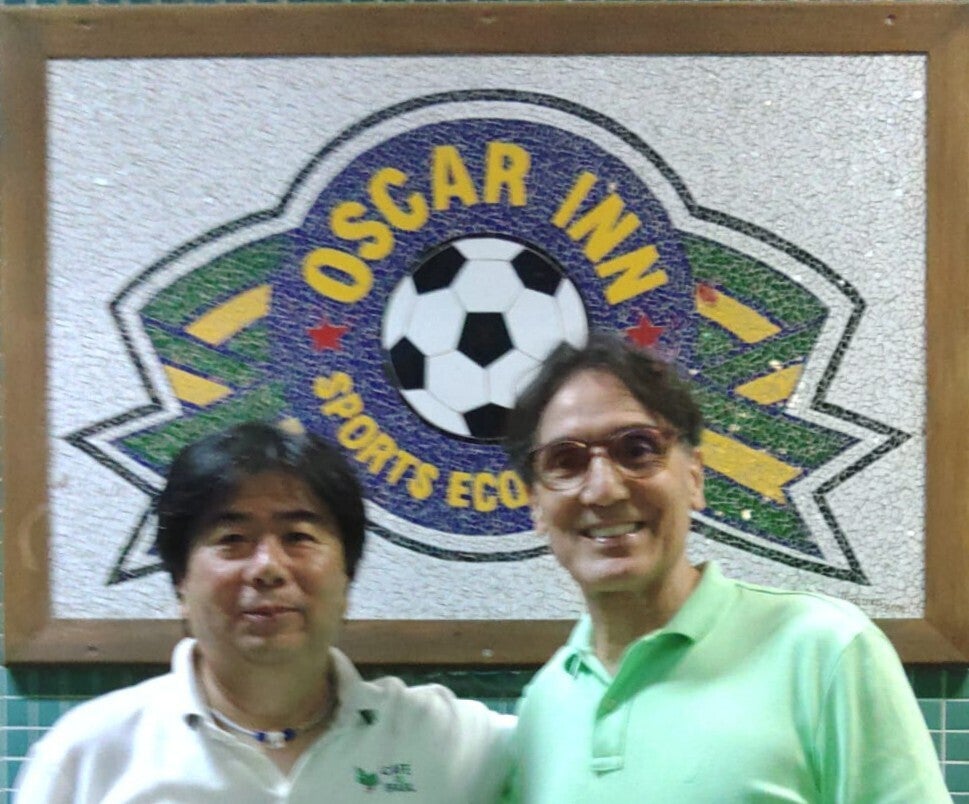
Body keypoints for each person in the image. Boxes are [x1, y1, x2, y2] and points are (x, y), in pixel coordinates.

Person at [501, 331, 949, 803]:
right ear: (536, 506)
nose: (603, 489)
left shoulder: (824, 651)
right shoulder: (541, 710)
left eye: (636, 449)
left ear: (694, 477)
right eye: (566, 461)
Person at [17, 422, 514, 803]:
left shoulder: (446, 739)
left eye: (298, 536)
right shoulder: (88, 755)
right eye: (232, 539)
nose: (268, 568)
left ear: (347, 577)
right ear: (181, 582)